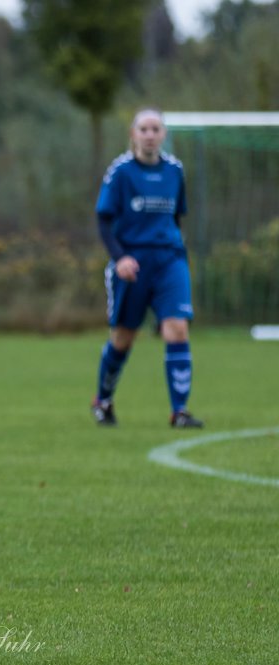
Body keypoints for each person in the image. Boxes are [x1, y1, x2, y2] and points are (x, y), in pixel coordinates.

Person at [91, 107, 203, 429]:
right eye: (144, 129)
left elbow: (176, 216)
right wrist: (119, 257)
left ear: (164, 134)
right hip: (133, 262)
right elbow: (103, 219)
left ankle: (179, 411)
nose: (150, 134)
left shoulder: (175, 171)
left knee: (177, 328)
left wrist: (176, 251)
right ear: (133, 133)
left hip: (169, 260)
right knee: (124, 337)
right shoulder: (121, 172)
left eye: (156, 129)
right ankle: (103, 400)